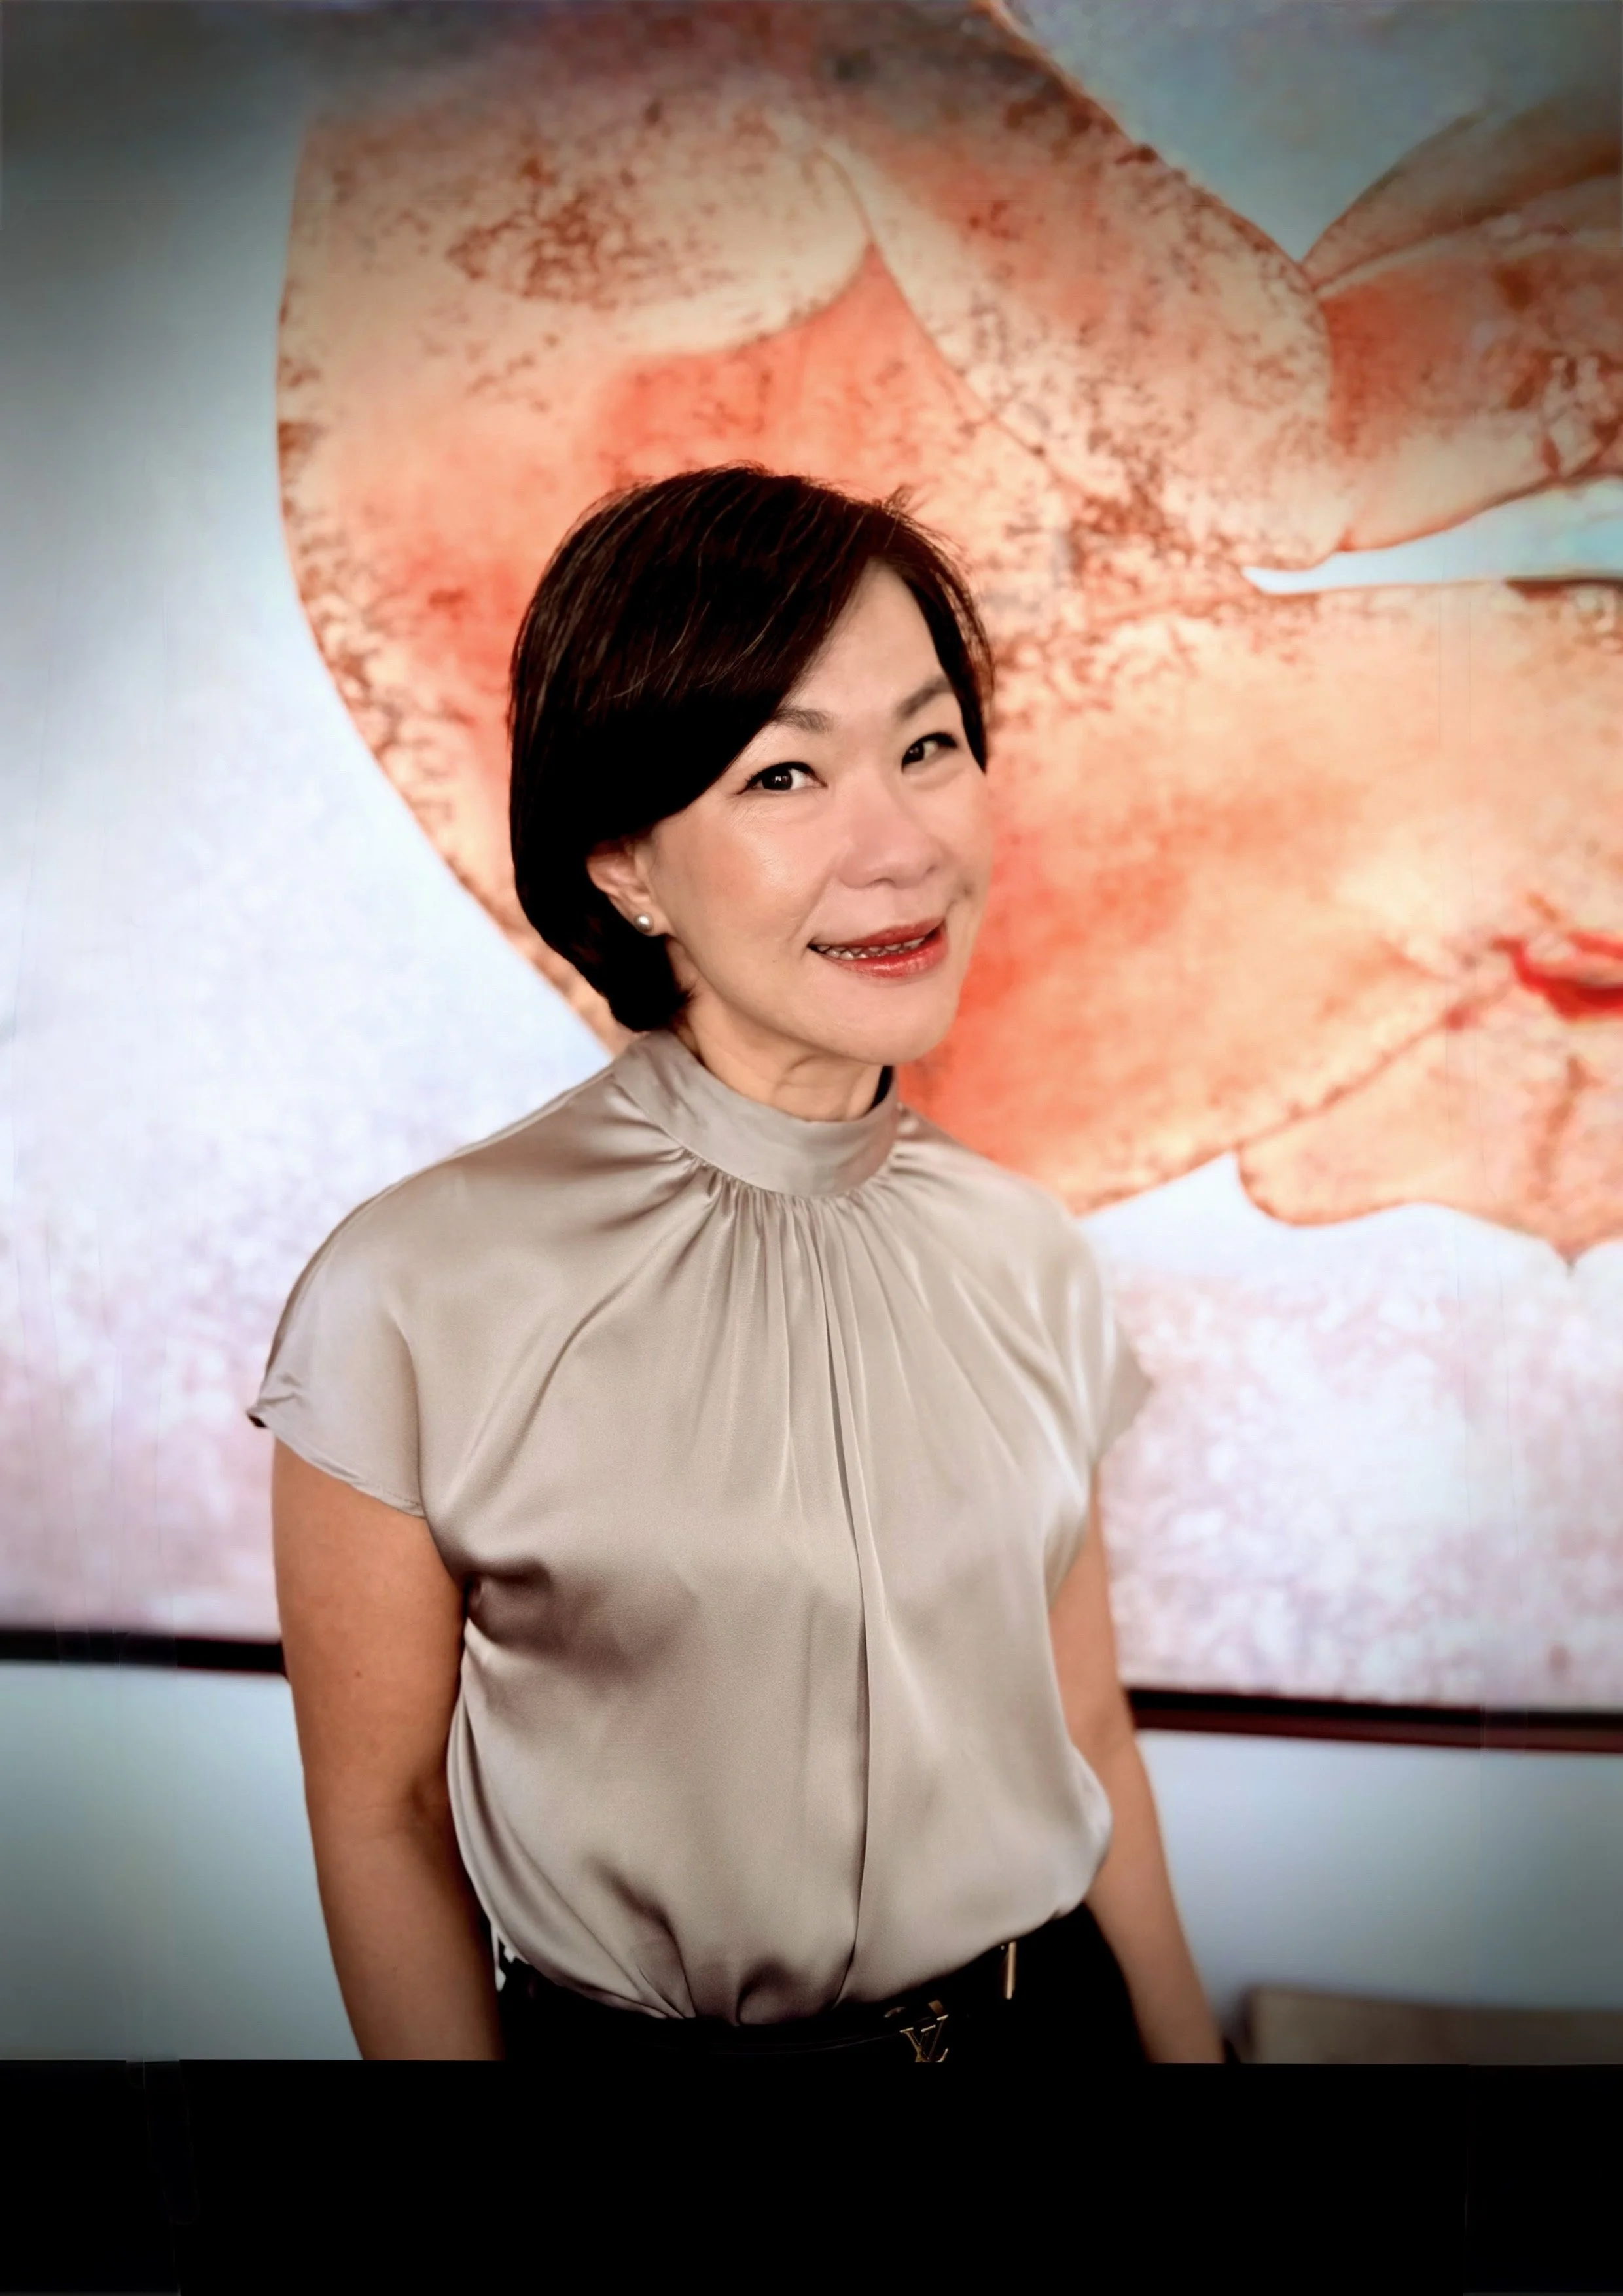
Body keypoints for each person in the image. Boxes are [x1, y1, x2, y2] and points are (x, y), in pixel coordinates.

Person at [255, 465, 1223, 2068]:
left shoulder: (1030, 1252)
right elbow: (382, 1817)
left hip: (1044, 2024)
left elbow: (1089, 1734)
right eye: (783, 773)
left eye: (927, 746)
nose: (897, 846)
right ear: (624, 861)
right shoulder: (413, 1289)